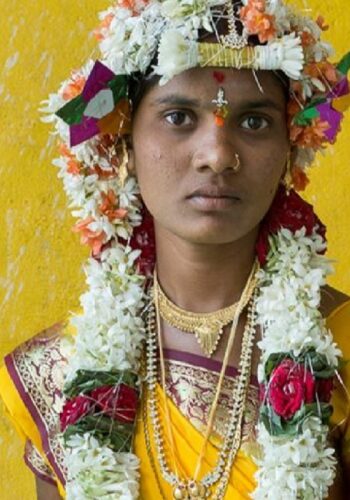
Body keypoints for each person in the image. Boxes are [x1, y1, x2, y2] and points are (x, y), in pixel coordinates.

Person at [1, 0, 350, 498]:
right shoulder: (57, 372)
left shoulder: (339, 346)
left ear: (291, 147)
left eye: (254, 122)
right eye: (179, 116)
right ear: (124, 144)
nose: (217, 155)